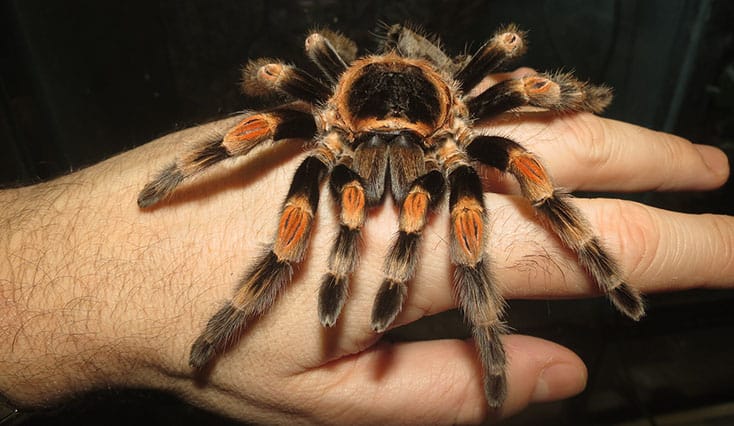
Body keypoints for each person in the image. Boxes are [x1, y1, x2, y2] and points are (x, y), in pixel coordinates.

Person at [0, 106, 730, 424]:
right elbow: (263, 106)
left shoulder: (458, 131)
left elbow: (523, 86)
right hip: (348, 123)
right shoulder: (325, 125)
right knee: (296, 229)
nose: (389, 173)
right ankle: (233, 315)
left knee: (502, 197)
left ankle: (597, 270)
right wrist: (166, 185)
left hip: (439, 124)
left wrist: (566, 103)